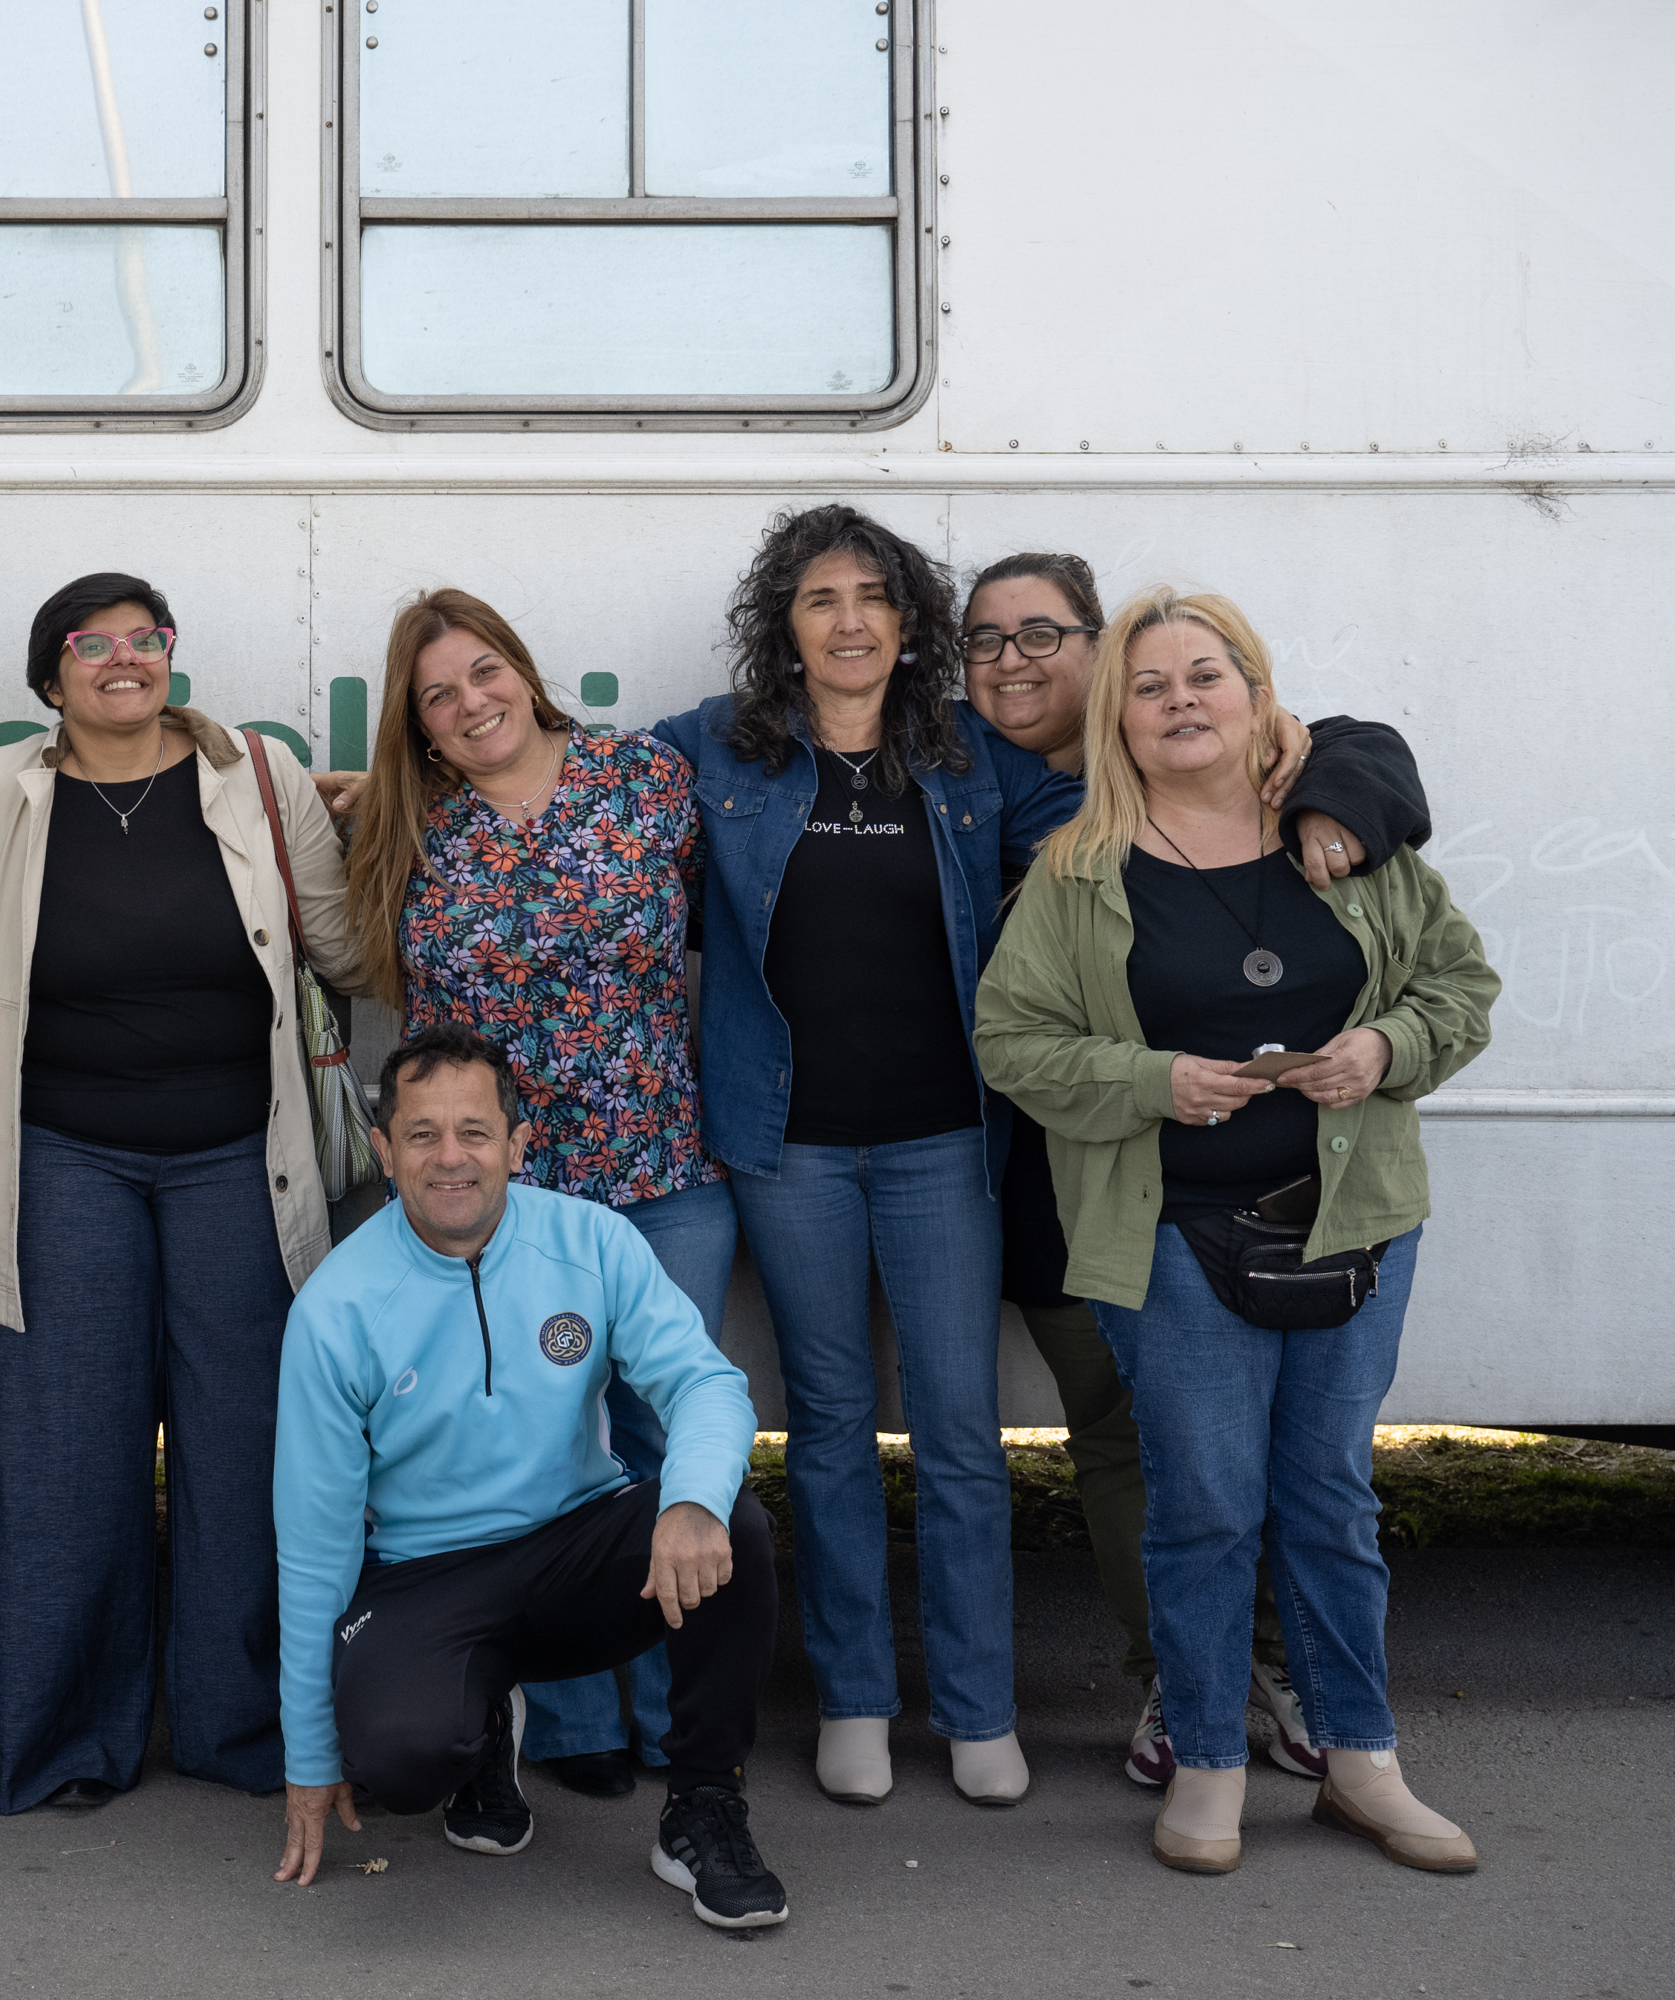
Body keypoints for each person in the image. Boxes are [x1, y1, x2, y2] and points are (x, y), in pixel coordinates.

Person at [976, 587, 1496, 1875]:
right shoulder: (1081, 871)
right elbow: (1011, 1039)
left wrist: (1386, 1045)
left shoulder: (1347, 841)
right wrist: (1154, 1079)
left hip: (1353, 1218)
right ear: (1120, 721)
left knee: (1329, 1496)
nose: (1180, 702)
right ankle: (1208, 1756)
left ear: (1257, 693)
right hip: (1170, 1232)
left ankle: (1360, 1762)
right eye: (1149, 687)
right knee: (1204, 1504)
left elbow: (1462, 985)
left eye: (1206, 676)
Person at [650, 504, 1073, 1809]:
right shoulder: (715, 749)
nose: (847, 621)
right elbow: (558, 779)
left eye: (872, 598)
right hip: (788, 1149)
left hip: (945, 1142)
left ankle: (979, 1708)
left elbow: (1106, 815)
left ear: (908, 624)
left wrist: (1318, 761)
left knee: (959, 1432)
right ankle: (853, 1699)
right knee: (827, 1427)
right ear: (786, 622)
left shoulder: (964, 761)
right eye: (821, 597)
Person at [0, 572, 363, 1814]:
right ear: (48, 677)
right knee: (68, 1457)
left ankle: (239, 1731)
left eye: (146, 639)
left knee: (246, 1451)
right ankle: (70, 1741)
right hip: (62, 1155)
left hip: (241, 1152)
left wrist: (393, 809)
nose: (124, 660)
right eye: (92, 643)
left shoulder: (257, 780)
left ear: (171, 656)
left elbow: (341, 943)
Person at [334, 587, 735, 1801]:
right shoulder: (412, 830)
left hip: (660, 1167)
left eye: (483, 671)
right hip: (499, 1201)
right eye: (438, 695)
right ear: (418, 727)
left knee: (666, 1439)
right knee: (544, 1453)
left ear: (524, 667)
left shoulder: (646, 779)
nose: (470, 702)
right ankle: (570, 1724)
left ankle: (680, 1712)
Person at [272, 1025, 786, 1929]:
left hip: (576, 1550)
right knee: (397, 1759)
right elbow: (313, 1552)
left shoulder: (592, 1241)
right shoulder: (334, 1308)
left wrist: (692, 1499)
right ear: (383, 1151)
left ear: (517, 1142)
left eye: (474, 1131)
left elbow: (706, 1383)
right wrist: (311, 1758)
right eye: (421, 1135)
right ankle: (475, 1736)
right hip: (425, 1576)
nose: (450, 1158)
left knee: (730, 1523)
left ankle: (704, 1804)